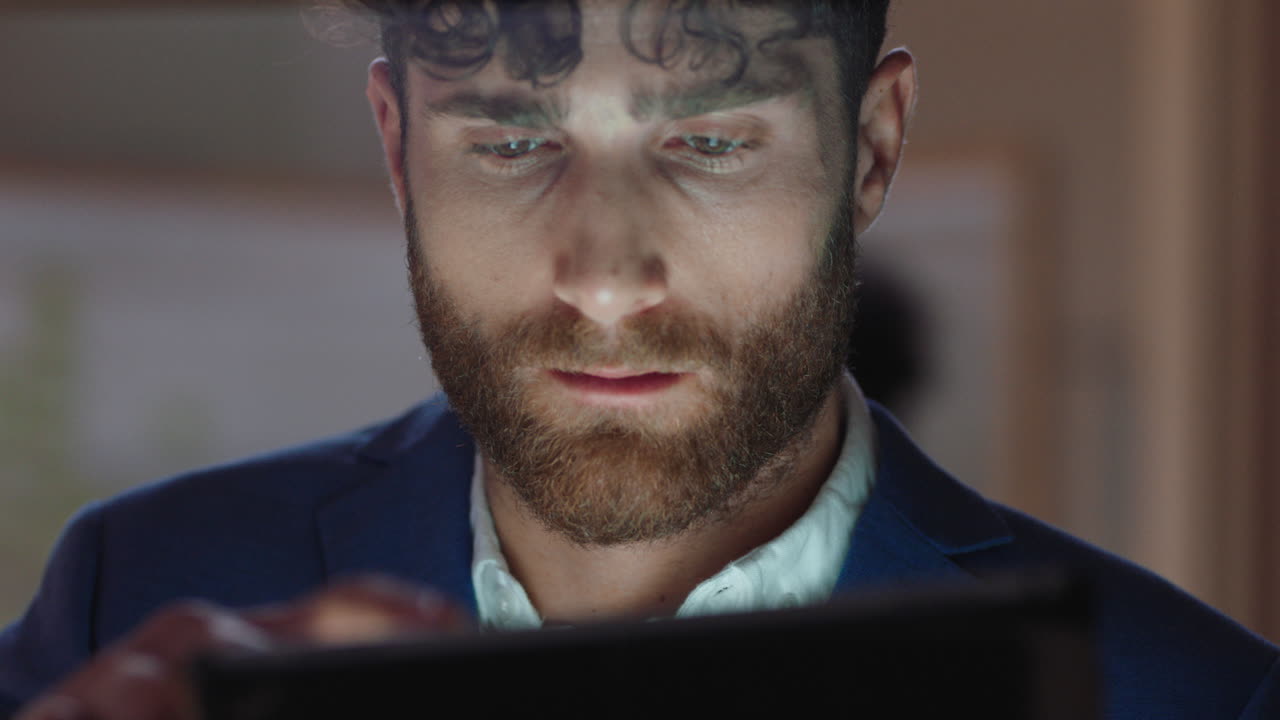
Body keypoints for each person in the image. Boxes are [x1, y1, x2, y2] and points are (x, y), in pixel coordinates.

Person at [2, 1, 1277, 718]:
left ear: (871, 151)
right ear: (398, 151)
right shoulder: (135, 598)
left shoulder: (1192, 698)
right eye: (508, 145)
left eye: (712, 144)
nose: (606, 277)